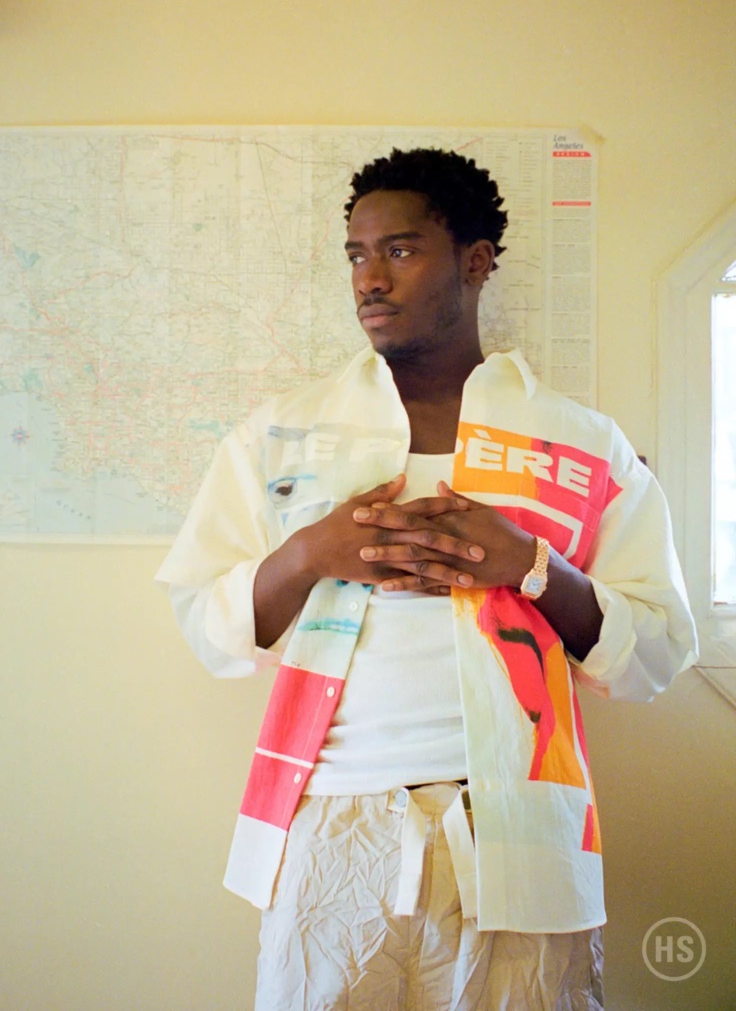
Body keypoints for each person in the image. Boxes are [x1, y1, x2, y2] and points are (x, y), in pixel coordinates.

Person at [157, 148, 697, 1011]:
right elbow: (204, 623)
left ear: (476, 262)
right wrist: (310, 553)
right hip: (330, 821)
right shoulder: (284, 436)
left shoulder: (582, 444)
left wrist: (529, 566)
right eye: (356, 255)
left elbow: (655, 655)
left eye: (400, 250)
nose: (370, 279)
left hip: (521, 827)